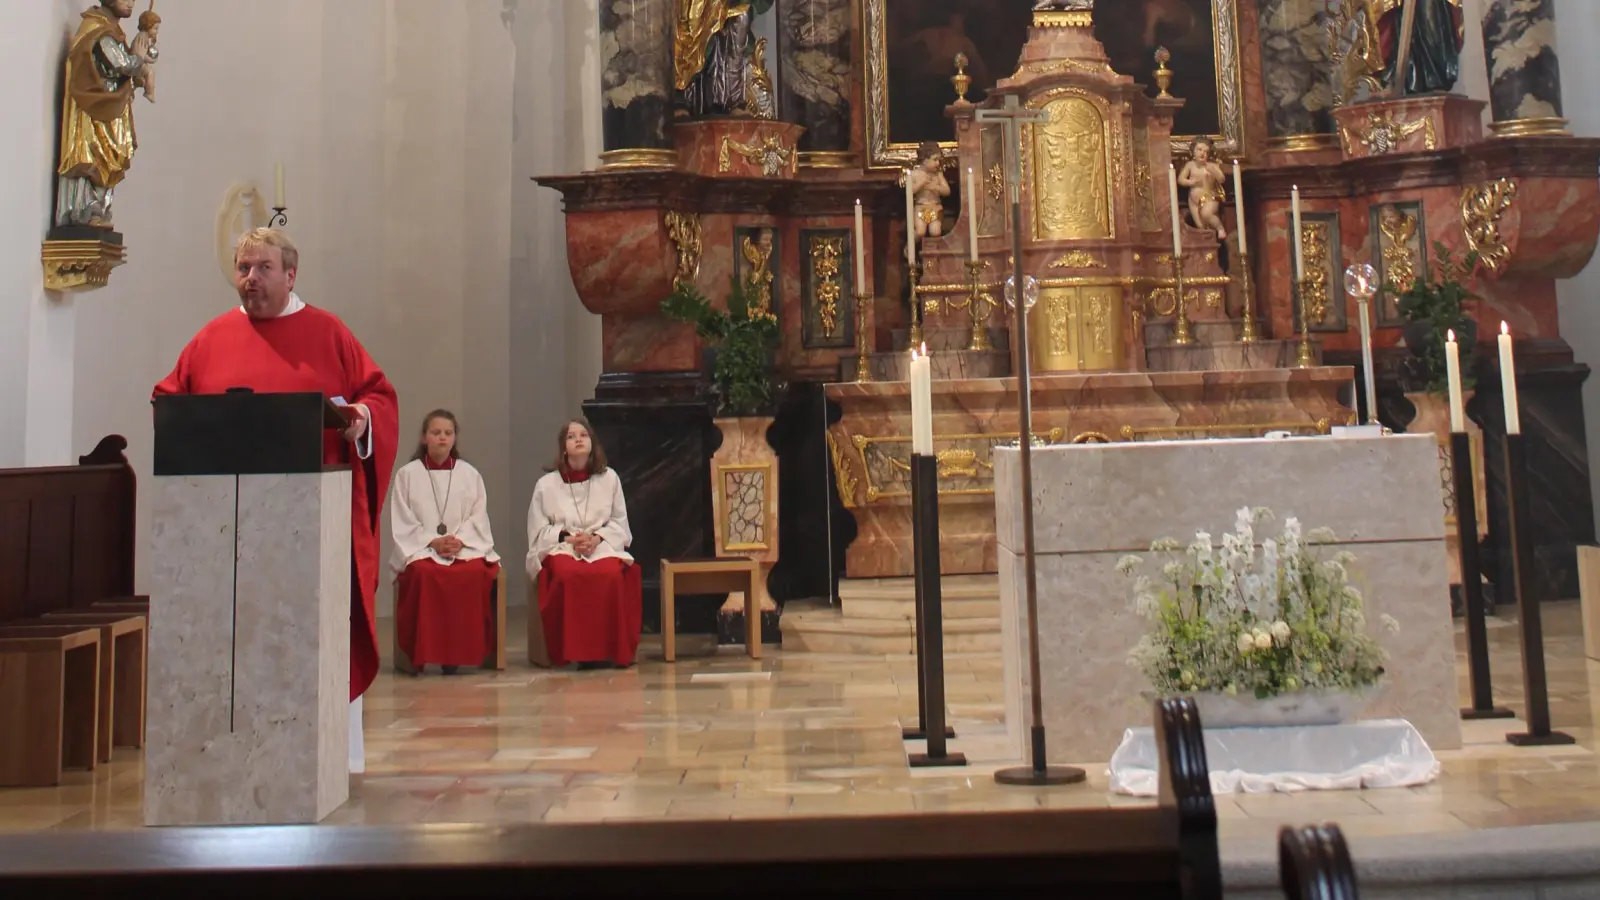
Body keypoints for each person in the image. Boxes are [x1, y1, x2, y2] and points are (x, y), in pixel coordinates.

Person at [152, 227, 398, 774]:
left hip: (311, 521)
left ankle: (330, 754)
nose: (250, 279)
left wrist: (361, 419)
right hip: (228, 528)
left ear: (291, 274)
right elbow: (169, 399)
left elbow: (378, 397)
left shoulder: (328, 332)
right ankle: (231, 753)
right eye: (243, 268)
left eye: (263, 268)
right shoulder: (212, 337)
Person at [389, 410, 501, 676]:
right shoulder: (407, 475)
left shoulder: (469, 474)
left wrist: (459, 541)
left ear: (454, 438)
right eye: (436, 432)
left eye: (448, 433)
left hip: (462, 547)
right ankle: (425, 653)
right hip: (422, 550)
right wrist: (433, 542)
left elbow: (478, 516)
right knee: (422, 573)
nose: (442, 438)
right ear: (424, 437)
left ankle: (459, 656)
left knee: (474, 573)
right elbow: (403, 519)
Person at [526, 419, 641, 670]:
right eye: (571, 436)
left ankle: (607, 650)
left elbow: (619, 522)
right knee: (568, 575)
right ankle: (576, 651)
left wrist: (597, 538)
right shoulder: (546, 485)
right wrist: (568, 537)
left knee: (610, 575)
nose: (578, 439)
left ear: (592, 443)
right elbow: (538, 529)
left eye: (583, 435)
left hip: (601, 546)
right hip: (563, 547)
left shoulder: (609, 478)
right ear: (563, 448)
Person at [55, 0, 156, 230]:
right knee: (91, 159)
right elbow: (121, 64)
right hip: (93, 112)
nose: (131, 3)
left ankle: (99, 210)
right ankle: (84, 212)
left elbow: (118, 72)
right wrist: (138, 57)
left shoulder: (111, 30)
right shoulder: (97, 29)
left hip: (107, 112)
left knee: (107, 161)